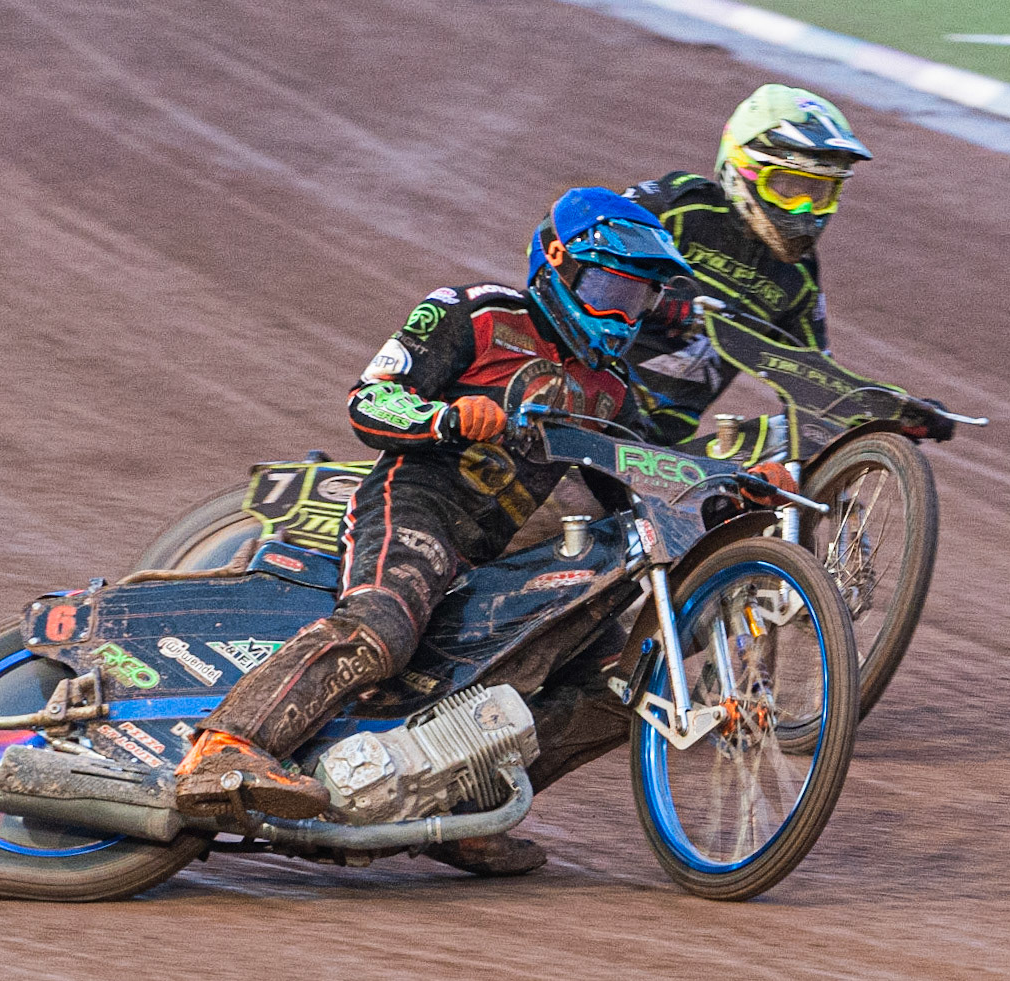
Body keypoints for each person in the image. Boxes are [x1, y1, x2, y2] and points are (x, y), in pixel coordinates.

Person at [172, 187, 697, 874]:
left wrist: (737, 482)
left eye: (637, 299)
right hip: (414, 503)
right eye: (608, 290)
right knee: (382, 627)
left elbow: (649, 475)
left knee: (625, 685)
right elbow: (369, 400)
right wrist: (445, 418)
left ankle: (467, 807)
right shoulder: (473, 314)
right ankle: (227, 748)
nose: (622, 316)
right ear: (556, 260)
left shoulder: (613, 390)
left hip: (498, 554)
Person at [620, 83, 875, 447]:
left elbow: (817, 381)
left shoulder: (798, 276)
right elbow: (573, 243)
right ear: (742, 168)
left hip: (663, 450)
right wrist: (654, 299)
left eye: (818, 193)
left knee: (805, 437)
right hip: (586, 397)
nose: (803, 209)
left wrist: (892, 411)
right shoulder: (680, 208)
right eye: (789, 188)